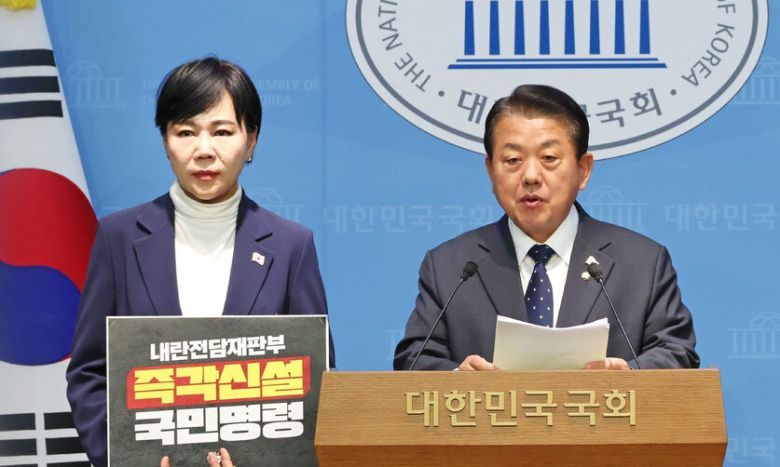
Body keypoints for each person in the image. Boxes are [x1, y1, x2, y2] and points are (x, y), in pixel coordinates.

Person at [66, 57, 334, 467]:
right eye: (186, 132)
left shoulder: (291, 245)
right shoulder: (118, 238)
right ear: (165, 140)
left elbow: (316, 379)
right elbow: (89, 373)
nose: (204, 150)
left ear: (251, 140)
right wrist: (129, 461)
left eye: (222, 132)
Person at [394, 84, 698, 371]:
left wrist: (628, 375)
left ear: (583, 170)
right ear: (491, 171)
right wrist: (459, 379)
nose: (530, 176)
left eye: (549, 158)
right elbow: (415, 359)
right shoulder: (450, 267)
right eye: (513, 159)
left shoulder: (642, 263)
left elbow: (677, 352)